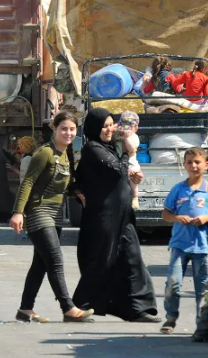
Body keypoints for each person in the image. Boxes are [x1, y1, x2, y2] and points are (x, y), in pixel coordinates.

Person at [73, 108, 160, 322]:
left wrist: (133, 176)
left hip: (123, 216)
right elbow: (116, 169)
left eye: (112, 124)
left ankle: (138, 309)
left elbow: (120, 173)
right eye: (105, 126)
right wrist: (130, 153)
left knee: (132, 258)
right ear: (95, 128)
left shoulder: (109, 148)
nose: (110, 129)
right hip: (104, 218)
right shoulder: (92, 149)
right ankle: (79, 306)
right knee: (102, 260)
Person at [10, 111, 94, 323]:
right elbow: (28, 182)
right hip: (38, 212)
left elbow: (67, 183)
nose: (68, 133)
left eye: (72, 129)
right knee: (55, 260)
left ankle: (25, 309)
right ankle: (68, 308)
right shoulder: (44, 153)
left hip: (55, 214)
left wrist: (78, 193)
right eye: (64, 128)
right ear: (54, 129)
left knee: (40, 264)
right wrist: (18, 212)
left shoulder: (66, 154)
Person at [159, 147, 208, 335]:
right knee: (173, 283)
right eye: (189, 162)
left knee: (203, 288)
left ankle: (201, 323)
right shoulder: (178, 189)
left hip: (202, 246)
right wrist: (176, 218)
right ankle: (171, 317)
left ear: (206, 165)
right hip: (179, 245)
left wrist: (207, 218)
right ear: (184, 165)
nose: (193, 166)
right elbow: (165, 213)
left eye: (197, 162)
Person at [115, 111, 141, 210]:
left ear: (135, 128)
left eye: (128, 127)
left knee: (133, 179)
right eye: (122, 126)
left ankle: (135, 197)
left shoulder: (134, 137)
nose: (124, 130)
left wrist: (126, 138)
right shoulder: (117, 135)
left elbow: (131, 149)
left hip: (131, 163)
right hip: (118, 161)